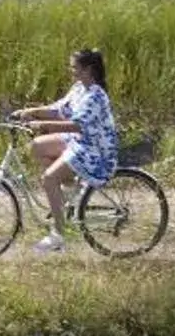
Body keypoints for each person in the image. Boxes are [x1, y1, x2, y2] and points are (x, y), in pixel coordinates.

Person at [12, 46, 118, 254]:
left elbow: (77, 125)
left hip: (95, 151)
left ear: (88, 70)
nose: (71, 71)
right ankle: (68, 191)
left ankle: (58, 236)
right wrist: (29, 113)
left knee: (49, 178)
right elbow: (59, 110)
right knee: (37, 146)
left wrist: (42, 126)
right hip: (80, 141)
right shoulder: (80, 88)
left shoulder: (96, 96)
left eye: (74, 67)